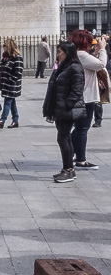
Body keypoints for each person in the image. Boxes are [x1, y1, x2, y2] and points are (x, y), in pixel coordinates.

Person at [43, 41, 85, 183]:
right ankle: (69, 170)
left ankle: (67, 169)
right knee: (65, 138)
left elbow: (77, 90)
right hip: (59, 108)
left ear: (68, 53)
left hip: (67, 109)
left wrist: (68, 104)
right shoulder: (63, 67)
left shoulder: (75, 68)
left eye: (60, 51)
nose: (58, 54)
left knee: (62, 138)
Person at [69, 29, 107, 171]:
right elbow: (101, 65)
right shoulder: (81, 55)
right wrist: (102, 49)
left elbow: (93, 63)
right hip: (86, 97)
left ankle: (72, 153)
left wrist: (96, 53)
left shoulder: (75, 54)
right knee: (83, 129)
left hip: (80, 96)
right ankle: (81, 160)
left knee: (79, 128)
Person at [0, 38, 24, 129]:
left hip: (12, 85)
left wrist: (10, 79)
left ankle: (2, 120)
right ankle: (15, 120)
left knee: (7, 101)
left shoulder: (17, 58)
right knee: (12, 102)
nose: (3, 47)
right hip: (6, 84)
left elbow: (18, 73)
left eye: (5, 46)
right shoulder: (6, 58)